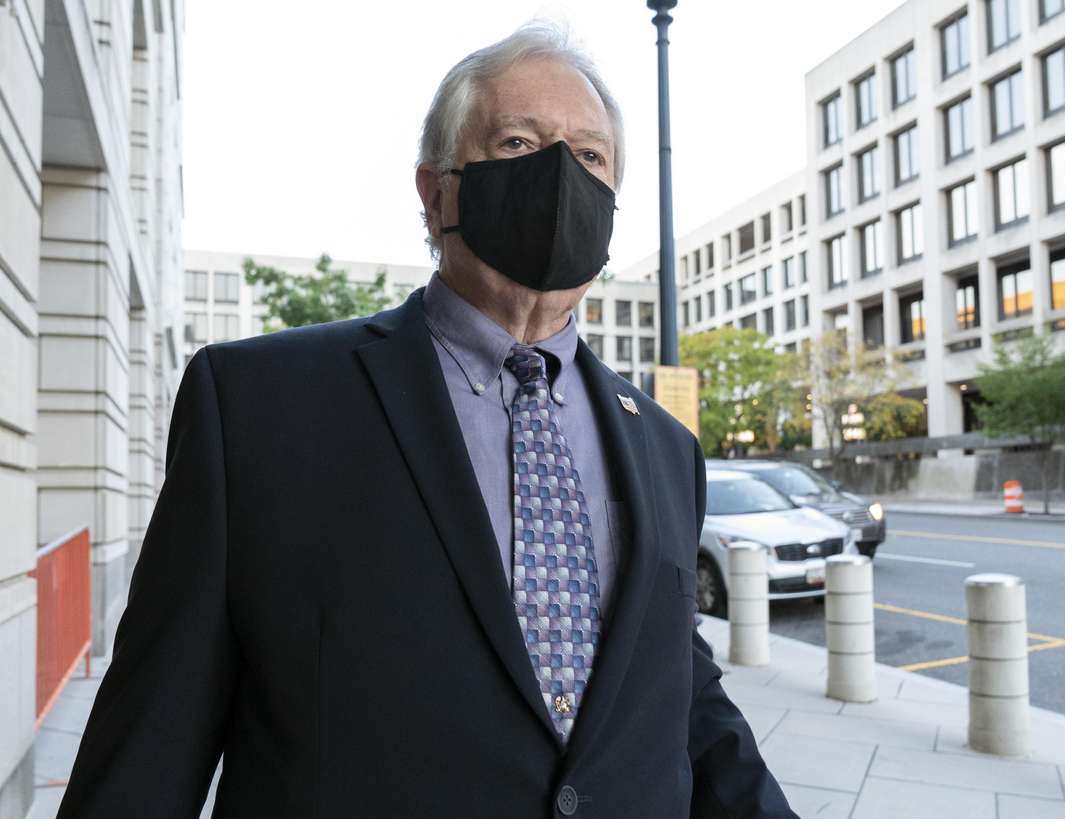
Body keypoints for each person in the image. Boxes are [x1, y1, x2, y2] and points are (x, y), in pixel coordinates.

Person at [57, 22, 797, 818]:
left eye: (589, 157)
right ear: (436, 189)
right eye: (518, 143)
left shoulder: (664, 444)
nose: (559, 176)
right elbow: (149, 742)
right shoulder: (257, 404)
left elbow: (677, 692)